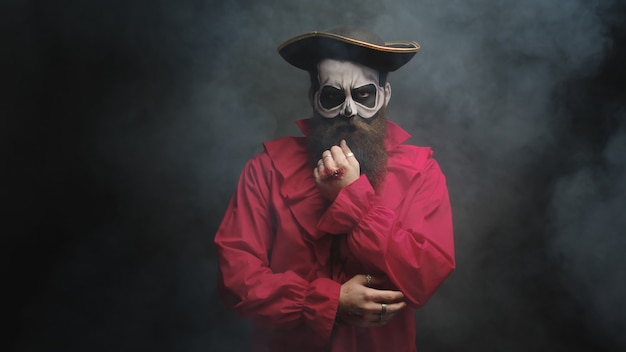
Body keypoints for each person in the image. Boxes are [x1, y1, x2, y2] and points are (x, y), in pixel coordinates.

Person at [214, 26, 455, 352]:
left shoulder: (420, 172)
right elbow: (237, 280)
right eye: (333, 96)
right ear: (314, 98)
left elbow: (423, 277)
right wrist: (329, 303)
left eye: (363, 94)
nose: (349, 111)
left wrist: (355, 198)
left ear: (384, 95)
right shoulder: (266, 170)